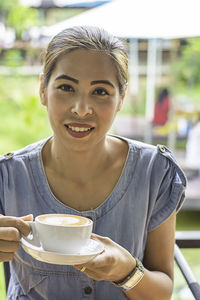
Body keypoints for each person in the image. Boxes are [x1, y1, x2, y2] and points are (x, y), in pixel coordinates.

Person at [0, 26, 186, 300]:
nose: (82, 108)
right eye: (66, 87)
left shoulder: (154, 172)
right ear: (42, 90)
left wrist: (126, 271)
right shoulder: (8, 177)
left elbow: (161, 293)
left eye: (100, 91)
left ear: (121, 98)